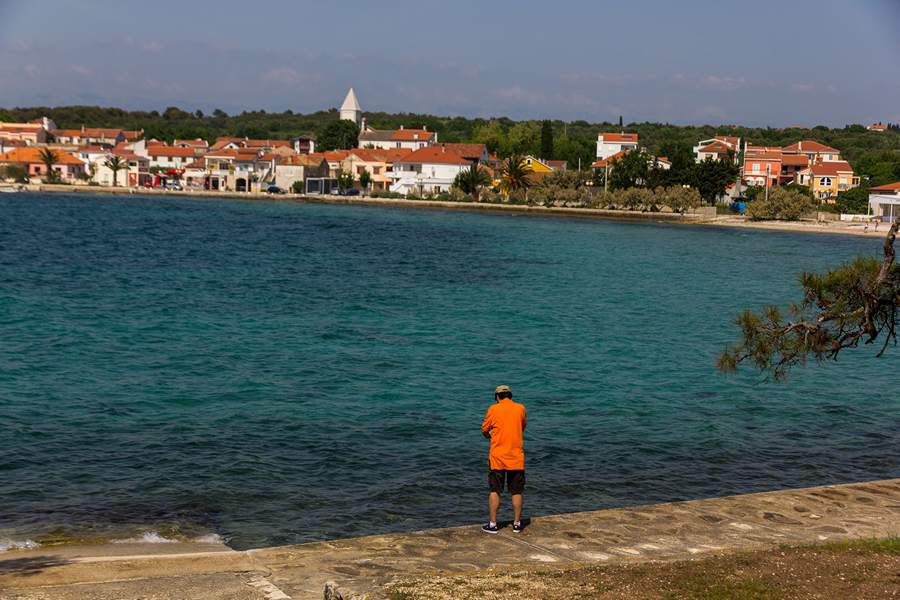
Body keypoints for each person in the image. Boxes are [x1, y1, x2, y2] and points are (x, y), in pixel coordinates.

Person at [481, 384, 527, 534]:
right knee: (516, 491)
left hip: (497, 457)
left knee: (495, 490)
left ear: (497, 397)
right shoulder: (520, 408)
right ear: (510, 396)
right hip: (516, 457)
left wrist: (489, 435)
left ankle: (493, 524)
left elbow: (484, 429)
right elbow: (522, 426)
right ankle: (517, 524)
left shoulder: (493, 409)